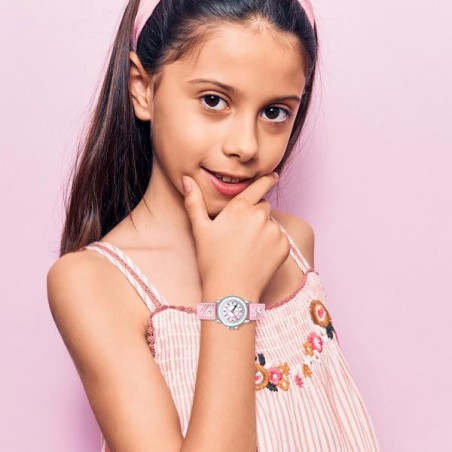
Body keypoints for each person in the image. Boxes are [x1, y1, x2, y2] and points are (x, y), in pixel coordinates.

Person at [47, 0, 380, 450]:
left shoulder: (292, 244)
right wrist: (231, 292)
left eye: (275, 112)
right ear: (142, 89)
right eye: (213, 101)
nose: (245, 145)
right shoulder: (94, 284)